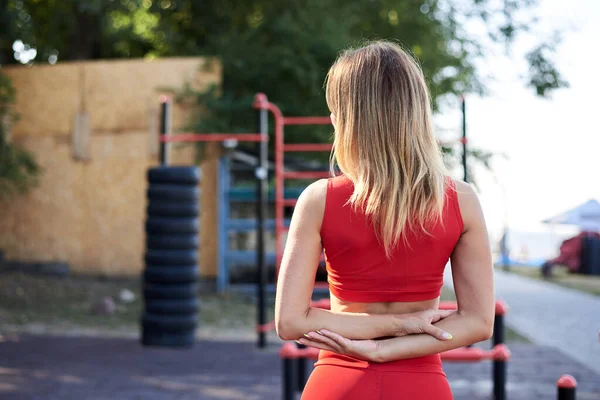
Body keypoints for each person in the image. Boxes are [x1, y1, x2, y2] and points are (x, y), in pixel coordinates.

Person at [274, 41, 495, 399]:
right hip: (422, 385)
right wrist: (397, 335)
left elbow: (291, 322)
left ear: (346, 119)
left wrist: (379, 344)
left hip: (338, 381)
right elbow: (479, 322)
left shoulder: (318, 199)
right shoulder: (461, 200)